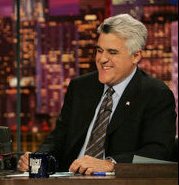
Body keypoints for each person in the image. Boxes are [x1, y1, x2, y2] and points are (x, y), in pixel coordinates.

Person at [18, 14, 176, 175]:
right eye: (99, 50)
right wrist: (39, 157)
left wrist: (111, 164)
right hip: (68, 182)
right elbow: (59, 137)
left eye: (112, 52)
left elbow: (158, 152)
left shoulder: (156, 94)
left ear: (136, 56)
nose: (102, 59)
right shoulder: (80, 87)